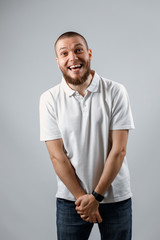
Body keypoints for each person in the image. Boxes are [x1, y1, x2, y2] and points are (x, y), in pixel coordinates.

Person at [39, 31, 135, 240]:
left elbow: (118, 150)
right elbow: (57, 156)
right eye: (64, 53)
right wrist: (84, 199)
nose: (72, 58)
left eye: (78, 50)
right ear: (58, 61)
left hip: (114, 197)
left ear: (89, 54)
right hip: (72, 201)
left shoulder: (116, 91)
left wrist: (97, 196)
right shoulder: (49, 99)